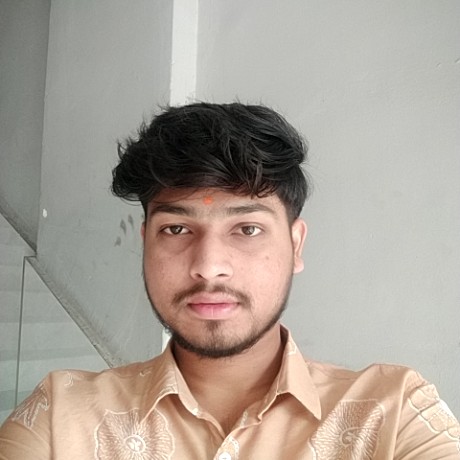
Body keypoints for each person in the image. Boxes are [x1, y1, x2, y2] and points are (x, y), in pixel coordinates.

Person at [0, 102, 459, 459]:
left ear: (296, 245)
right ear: (145, 243)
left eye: (248, 229)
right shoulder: (61, 416)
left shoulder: (394, 413)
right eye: (176, 229)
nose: (208, 266)